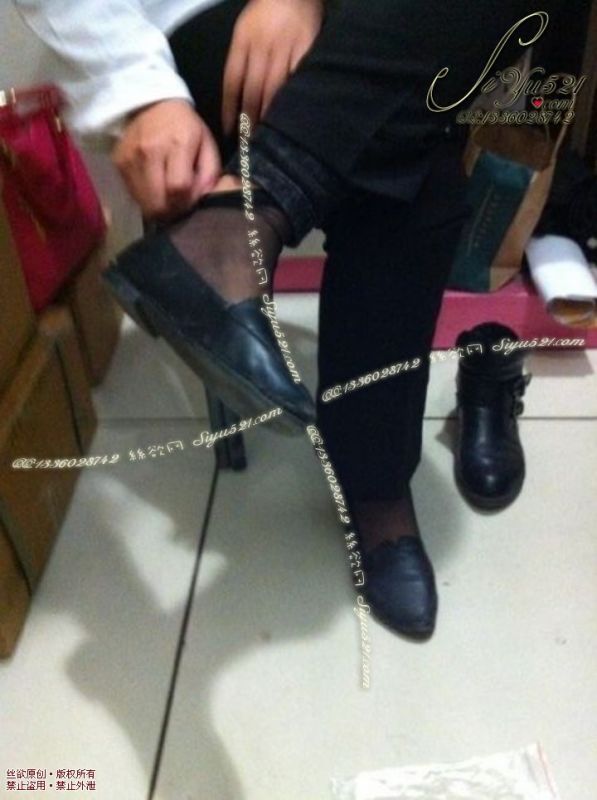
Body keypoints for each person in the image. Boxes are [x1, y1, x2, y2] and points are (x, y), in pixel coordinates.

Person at [14, 0, 562, 638]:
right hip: (193, 25)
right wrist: (139, 90)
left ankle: (241, 220)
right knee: (415, 178)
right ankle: (376, 487)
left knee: (414, 106)